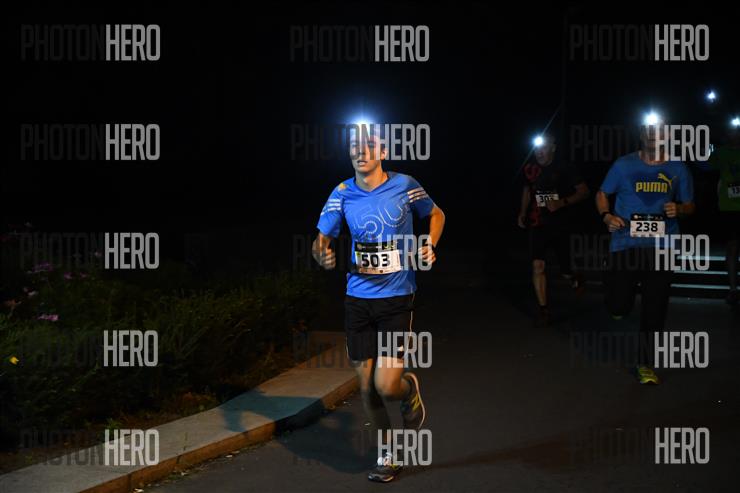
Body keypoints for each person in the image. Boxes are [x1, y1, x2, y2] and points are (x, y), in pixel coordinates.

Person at [312, 125, 445, 482]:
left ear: (383, 151)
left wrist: (429, 243)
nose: (361, 151)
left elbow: (437, 214)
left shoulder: (405, 185)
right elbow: (320, 240)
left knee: (386, 385)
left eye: (369, 145)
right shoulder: (342, 193)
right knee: (366, 386)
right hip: (358, 299)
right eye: (355, 146)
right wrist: (321, 252)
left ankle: (408, 389)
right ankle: (389, 453)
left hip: (396, 298)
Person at [596, 119, 695, 384]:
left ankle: (645, 363)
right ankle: (616, 303)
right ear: (641, 135)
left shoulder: (678, 168)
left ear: (667, 136)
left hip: (663, 246)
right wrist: (606, 216)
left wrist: (680, 209)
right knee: (619, 304)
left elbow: (690, 205)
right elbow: (602, 193)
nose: (653, 135)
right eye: (649, 130)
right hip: (625, 243)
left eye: (659, 131)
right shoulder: (623, 165)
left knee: (655, 306)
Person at [517, 132, 590, 327]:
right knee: (538, 266)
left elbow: (584, 192)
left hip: (561, 224)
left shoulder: (565, 167)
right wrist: (522, 212)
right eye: (536, 148)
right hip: (537, 223)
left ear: (553, 148)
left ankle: (574, 277)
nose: (539, 152)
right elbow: (527, 190)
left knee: (565, 270)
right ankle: (544, 310)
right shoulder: (530, 168)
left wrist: (562, 202)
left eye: (543, 148)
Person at [708, 121, 740, 305]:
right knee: (732, 247)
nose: (734, 134)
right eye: (731, 131)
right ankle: (733, 289)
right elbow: (704, 166)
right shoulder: (720, 153)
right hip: (729, 208)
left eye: (737, 131)